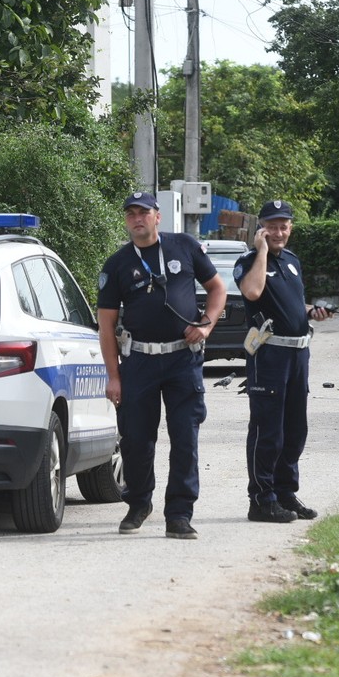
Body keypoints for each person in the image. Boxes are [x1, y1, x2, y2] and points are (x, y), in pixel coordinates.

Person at [98, 192, 226, 539]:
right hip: (138, 361)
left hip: (182, 360)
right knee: (136, 440)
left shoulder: (184, 246)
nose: (137, 219)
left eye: (144, 212)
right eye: (131, 214)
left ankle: (180, 514)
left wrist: (206, 324)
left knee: (185, 437)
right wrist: (113, 375)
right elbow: (106, 326)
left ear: (157, 216)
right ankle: (138, 503)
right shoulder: (117, 264)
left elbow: (217, 289)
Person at [236, 199, 335, 524]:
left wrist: (311, 311)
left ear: (291, 228)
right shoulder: (249, 262)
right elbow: (252, 292)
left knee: (295, 430)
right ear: (261, 228)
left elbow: (292, 303)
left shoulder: (292, 261)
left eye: (284, 226)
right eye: (272, 226)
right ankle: (261, 500)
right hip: (270, 356)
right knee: (268, 431)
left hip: (297, 354)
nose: (278, 232)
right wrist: (261, 251)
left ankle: (285, 493)